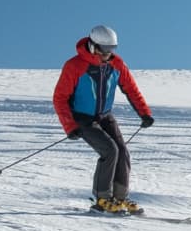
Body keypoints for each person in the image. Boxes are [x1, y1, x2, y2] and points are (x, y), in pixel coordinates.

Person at [52, 25, 153, 215]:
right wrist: (70, 126)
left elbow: (131, 89)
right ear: (93, 46)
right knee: (109, 150)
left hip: (105, 115)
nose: (109, 54)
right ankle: (102, 200)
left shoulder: (117, 64)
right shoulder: (74, 66)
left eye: (112, 49)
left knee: (122, 152)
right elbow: (60, 98)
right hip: (82, 117)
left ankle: (120, 198)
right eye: (105, 50)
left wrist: (144, 113)